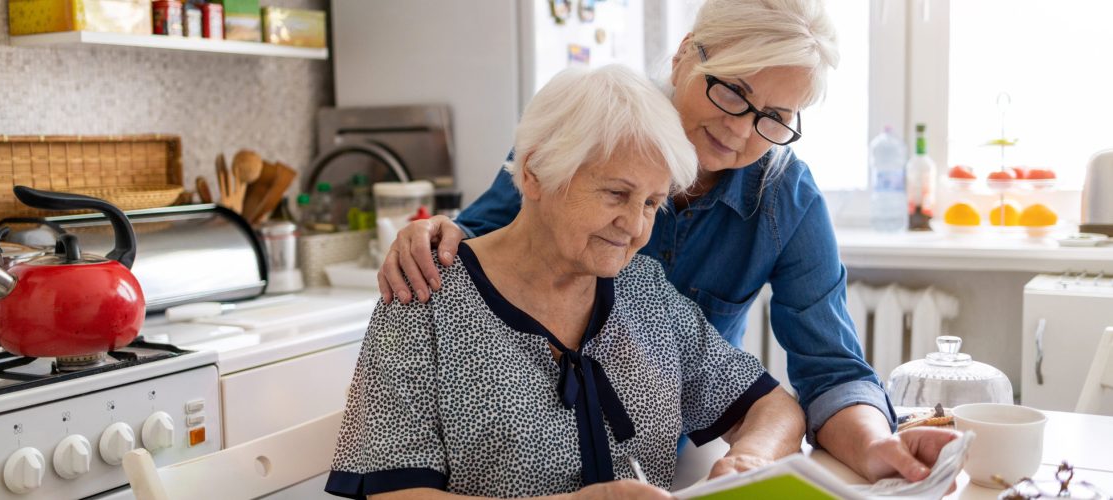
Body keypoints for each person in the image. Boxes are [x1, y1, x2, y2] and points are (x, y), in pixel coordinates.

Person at [376, 0, 958, 486]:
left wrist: (876, 445)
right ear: (685, 55)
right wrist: (430, 234)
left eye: (774, 116)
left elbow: (830, 371)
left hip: (671, 455)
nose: (738, 129)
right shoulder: (586, 133)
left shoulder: (786, 199)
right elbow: (480, 245)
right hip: (526, 463)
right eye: (732, 91)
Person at [326, 65, 804, 499]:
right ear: (535, 173)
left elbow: (773, 407)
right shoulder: (425, 295)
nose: (636, 227)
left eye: (652, 203)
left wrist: (751, 461)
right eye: (617, 193)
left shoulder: (645, 290)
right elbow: (395, 495)